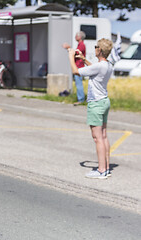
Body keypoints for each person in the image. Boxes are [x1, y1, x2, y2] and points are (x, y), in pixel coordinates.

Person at [66, 38, 113, 179]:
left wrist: (71, 56)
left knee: (97, 138)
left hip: (96, 104)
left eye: (96, 46)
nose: (94, 48)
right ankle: (106, 167)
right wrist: (83, 59)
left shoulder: (99, 66)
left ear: (100, 50)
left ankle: (101, 170)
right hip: (104, 101)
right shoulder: (107, 65)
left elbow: (76, 72)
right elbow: (94, 68)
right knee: (103, 136)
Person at [63, 31, 86, 106]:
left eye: (77, 35)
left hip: (79, 67)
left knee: (79, 83)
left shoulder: (81, 45)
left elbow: (76, 53)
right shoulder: (80, 44)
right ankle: (80, 99)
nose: (75, 37)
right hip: (78, 66)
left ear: (80, 37)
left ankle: (81, 99)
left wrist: (68, 48)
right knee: (78, 83)